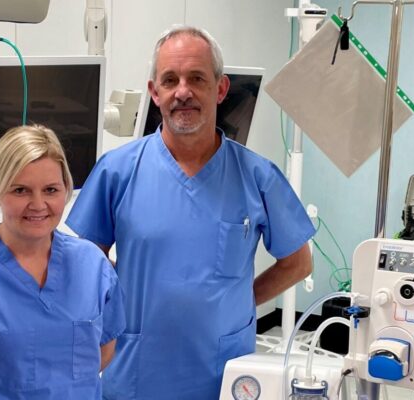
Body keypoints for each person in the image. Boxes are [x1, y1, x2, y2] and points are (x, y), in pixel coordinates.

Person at [66, 25, 315, 399]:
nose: (183, 92)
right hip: (137, 370)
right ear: (155, 92)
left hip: (223, 370)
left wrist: (241, 301)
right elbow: (88, 264)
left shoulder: (257, 176)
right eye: (170, 80)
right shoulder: (117, 172)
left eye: (196, 78)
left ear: (220, 88)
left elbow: (299, 263)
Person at [0, 125, 124, 399]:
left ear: (66, 189)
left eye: (50, 190)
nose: (38, 204)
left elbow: (105, 348)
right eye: (21, 190)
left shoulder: (92, 265)